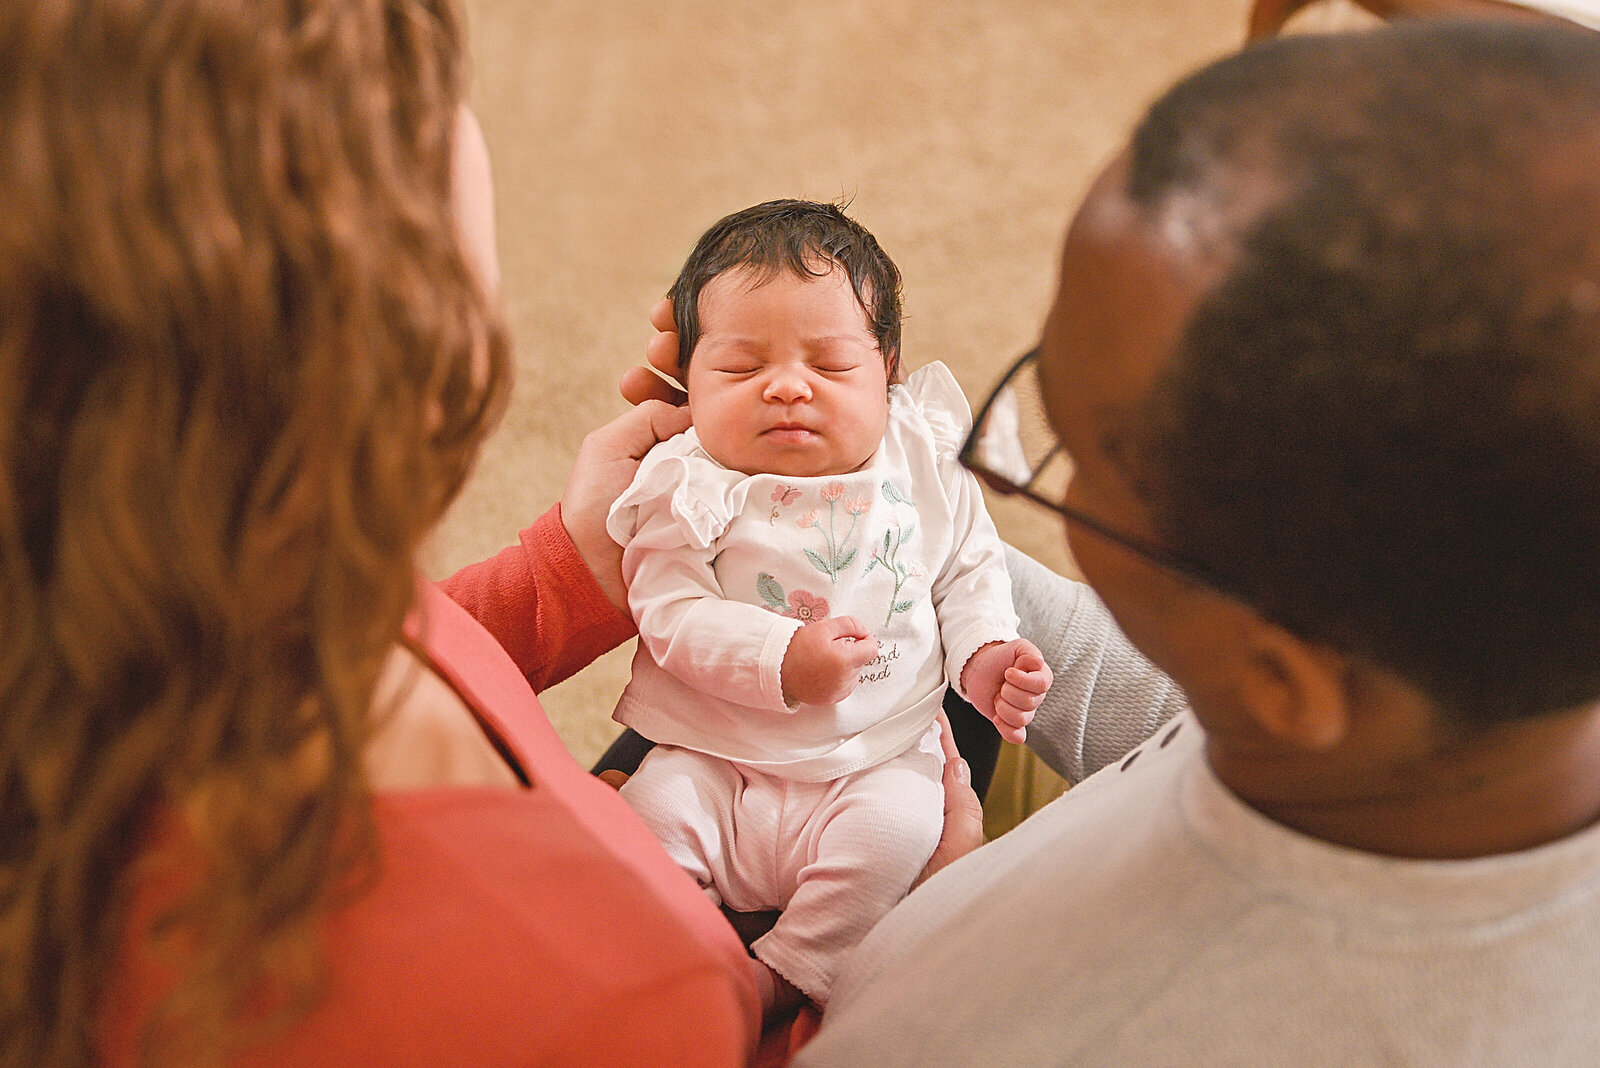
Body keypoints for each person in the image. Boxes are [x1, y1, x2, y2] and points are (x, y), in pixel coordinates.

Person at [0, 1, 812, 1064]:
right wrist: (902, 967)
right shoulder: (601, 998)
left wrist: (571, 570)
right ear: (385, 293)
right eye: (440, 109)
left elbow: (404, 647)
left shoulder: (147, 580)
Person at [791, 18, 1600, 1066]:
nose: (1054, 472)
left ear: (1278, 674)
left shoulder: (993, 1034)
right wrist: (868, 516)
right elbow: (1166, 718)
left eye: (1076, 460)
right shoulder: (1430, 710)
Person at [605, 200, 1052, 1016]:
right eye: (739, 370)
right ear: (688, 381)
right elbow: (667, 607)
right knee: (642, 819)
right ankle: (683, 951)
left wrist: (986, 651)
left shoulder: (920, 455)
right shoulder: (691, 479)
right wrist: (780, 658)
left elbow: (967, 566)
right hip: (718, 757)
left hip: (873, 756)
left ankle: (784, 973)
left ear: (887, 369)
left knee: (899, 832)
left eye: (831, 366)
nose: (784, 386)